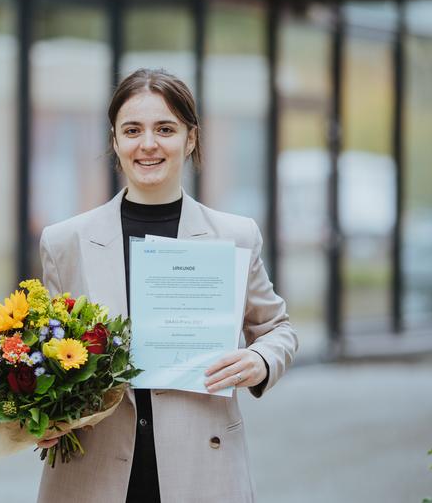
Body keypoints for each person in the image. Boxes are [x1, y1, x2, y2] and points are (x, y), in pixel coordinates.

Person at [35, 68, 297, 503]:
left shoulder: (235, 235)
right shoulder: (66, 241)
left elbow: (277, 328)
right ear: (115, 140)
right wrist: (41, 414)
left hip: (202, 466)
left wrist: (260, 360)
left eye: (165, 129)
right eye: (133, 130)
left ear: (190, 139)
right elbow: (49, 352)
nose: (148, 144)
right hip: (94, 471)